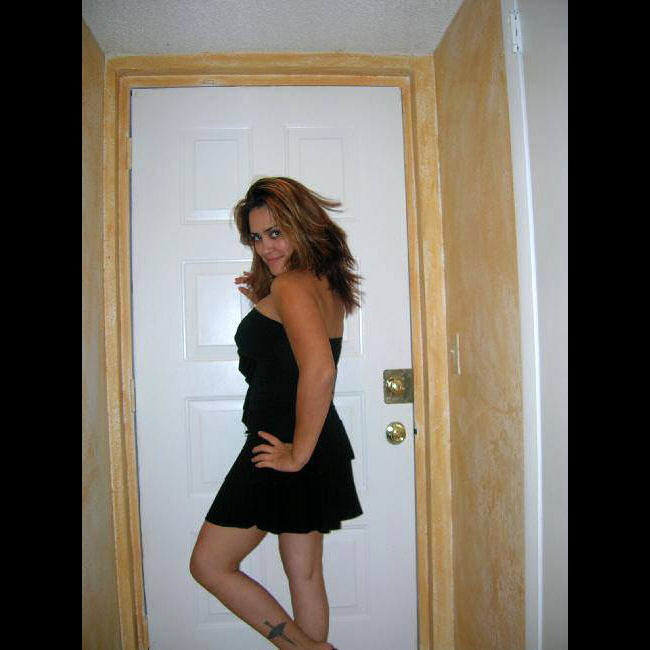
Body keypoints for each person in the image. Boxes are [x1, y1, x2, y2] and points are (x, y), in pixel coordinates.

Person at [189, 177, 364, 650]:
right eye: (256, 237)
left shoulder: (290, 285)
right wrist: (263, 306)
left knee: (209, 564)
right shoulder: (321, 284)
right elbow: (288, 359)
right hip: (311, 436)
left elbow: (320, 371)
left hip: (284, 443)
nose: (265, 247)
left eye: (275, 232)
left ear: (302, 226)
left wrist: (296, 455)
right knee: (303, 572)